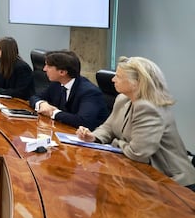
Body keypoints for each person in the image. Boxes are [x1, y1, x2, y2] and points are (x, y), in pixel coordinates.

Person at [76, 57, 195, 190]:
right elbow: (108, 127)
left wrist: (115, 143)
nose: (113, 79)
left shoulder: (149, 108)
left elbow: (138, 153)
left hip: (170, 181)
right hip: (140, 172)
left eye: (118, 76)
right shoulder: (123, 99)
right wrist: (93, 136)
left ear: (136, 82)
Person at [28, 50, 108, 130]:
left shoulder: (89, 92)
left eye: (48, 66)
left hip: (85, 135)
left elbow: (83, 121)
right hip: (63, 129)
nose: (44, 69)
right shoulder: (57, 84)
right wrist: (42, 104)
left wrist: (53, 113)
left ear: (62, 72)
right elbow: (34, 97)